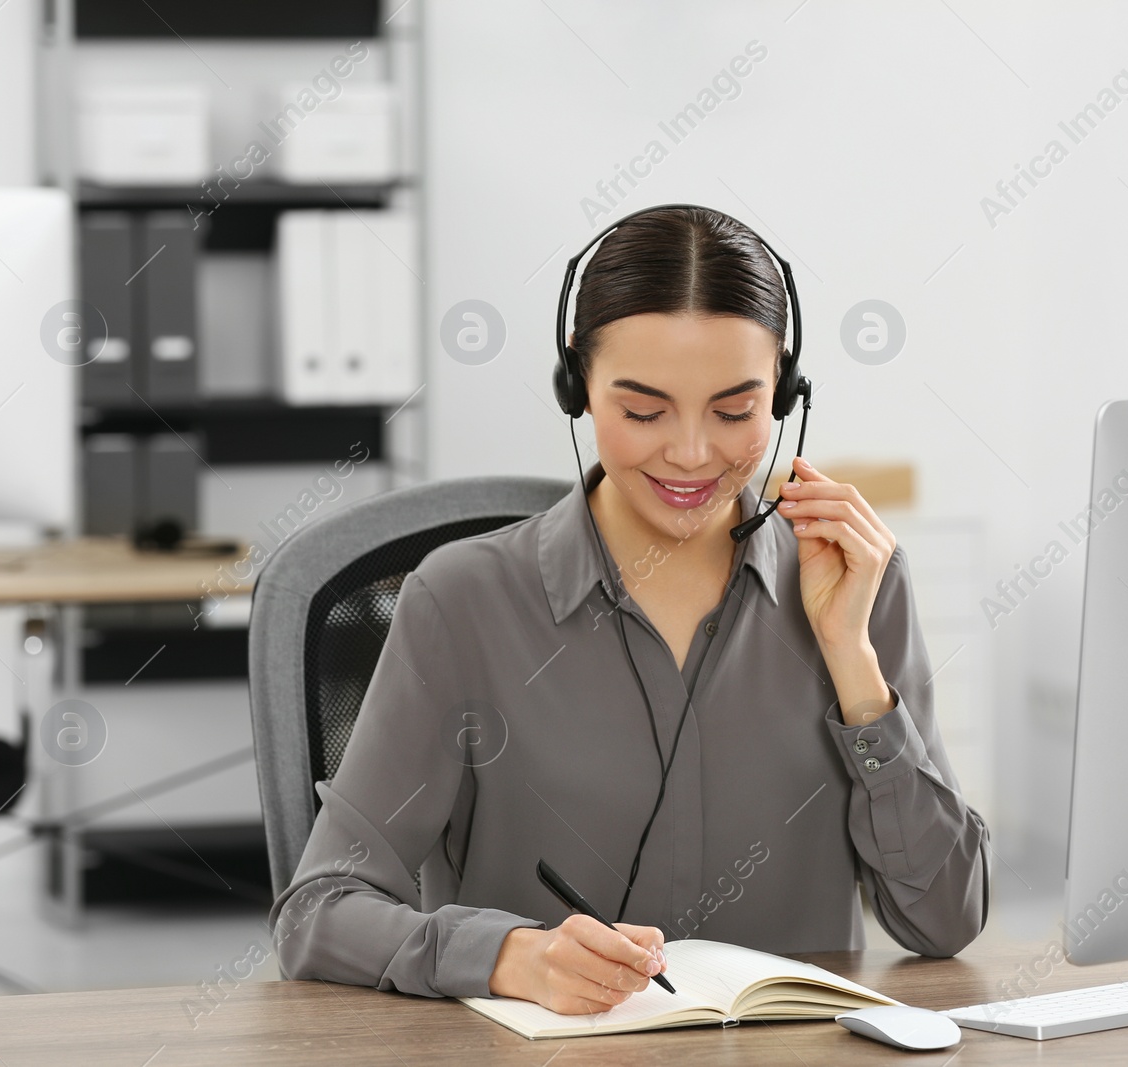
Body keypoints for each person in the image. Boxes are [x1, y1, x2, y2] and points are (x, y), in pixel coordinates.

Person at [269, 205, 990, 1016]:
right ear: (576, 386)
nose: (689, 452)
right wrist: (509, 955)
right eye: (643, 411)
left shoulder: (858, 584)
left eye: (735, 410)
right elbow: (317, 912)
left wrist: (854, 664)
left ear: (785, 392)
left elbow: (943, 921)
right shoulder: (460, 601)